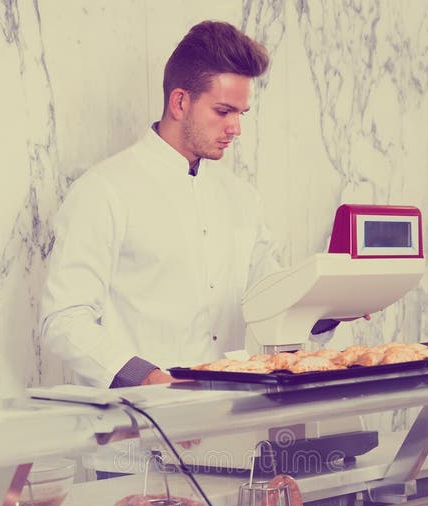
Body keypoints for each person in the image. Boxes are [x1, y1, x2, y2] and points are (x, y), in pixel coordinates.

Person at [40, 20, 282, 389]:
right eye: (223, 111)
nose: (236, 128)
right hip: (135, 428)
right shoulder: (103, 191)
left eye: (241, 114)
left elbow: (271, 298)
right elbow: (64, 319)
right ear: (180, 102)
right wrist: (146, 377)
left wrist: (332, 308)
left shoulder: (243, 198)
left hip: (228, 422)